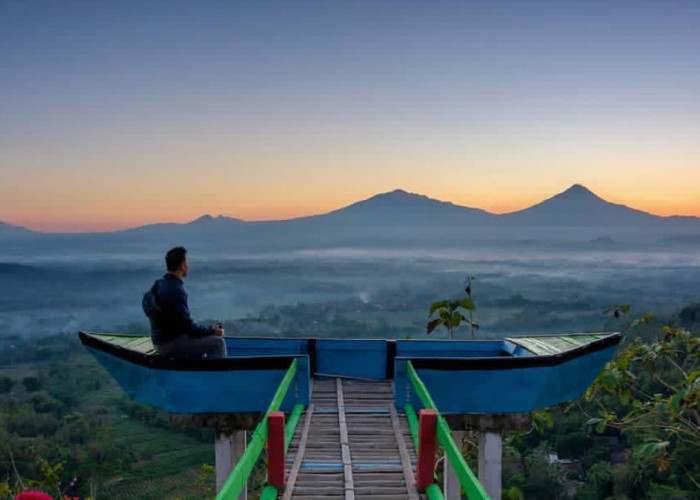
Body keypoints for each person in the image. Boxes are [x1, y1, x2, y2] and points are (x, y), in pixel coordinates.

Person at [142, 246, 227, 359]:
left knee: (201, 344)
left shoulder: (159, 284)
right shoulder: (176, 290)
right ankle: (214, 375)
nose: (188, 265)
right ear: (182, 266)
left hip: (160, 341)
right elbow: (188, 327)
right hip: (170, 345)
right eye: (186, 262)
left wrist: (209, 331)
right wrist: (212, 331)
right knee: (218, 343)